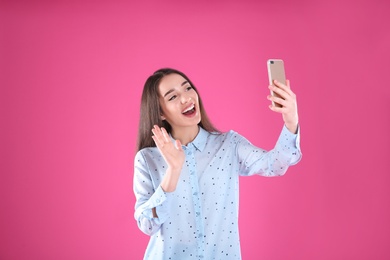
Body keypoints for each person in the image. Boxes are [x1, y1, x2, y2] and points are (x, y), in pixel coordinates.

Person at [133, 68, 302, 259]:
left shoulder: (229, 145)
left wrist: (291, 120)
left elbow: (275, 165)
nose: (185, 98)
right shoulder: (147, 159)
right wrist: (174, 170)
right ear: (160, 112)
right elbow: (148, 225)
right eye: (172, 97)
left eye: (188, 88)